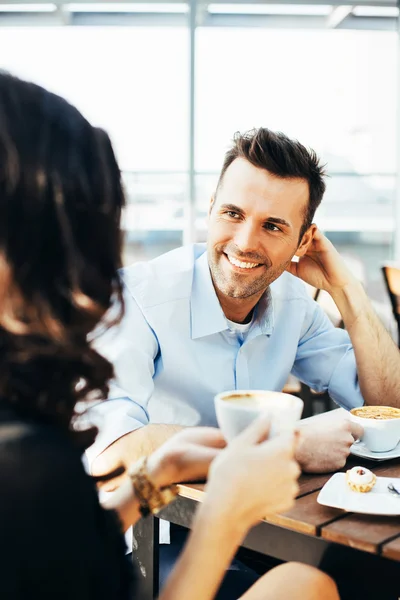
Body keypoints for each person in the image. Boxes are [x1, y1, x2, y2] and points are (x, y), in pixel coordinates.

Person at [0, 72, 340, 600]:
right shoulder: (25, 465)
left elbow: (61, 544)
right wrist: (223, 516)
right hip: (160, 545)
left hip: (162, 515)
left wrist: (155, 474)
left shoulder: (27, 448)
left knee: (308, 580)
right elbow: (97, 470)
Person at [91, 126, 400, 482]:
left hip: (263, 516)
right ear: (210, 210)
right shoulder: (138, 299)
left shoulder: (293, 303)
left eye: (272, 226)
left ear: (303, 242)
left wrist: (348, 293)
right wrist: (286, 444)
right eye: (233, 214)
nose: (244, 242)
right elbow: (111, 451)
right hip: (159, 525)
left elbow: (388, 411)